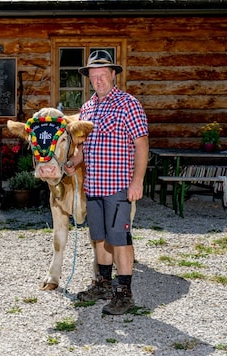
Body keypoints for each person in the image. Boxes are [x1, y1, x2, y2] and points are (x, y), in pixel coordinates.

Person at [64, 50, 149, 315]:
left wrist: (138, 181)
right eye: (94, 76)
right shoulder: (87, 108)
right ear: (89, 78)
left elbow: (142, 144)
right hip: (94, 187)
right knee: (99, 238)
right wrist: (73, 162)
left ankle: (124, 293)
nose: (98, 80)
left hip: (118, 187)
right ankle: (103, 284)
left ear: (113, 75)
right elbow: (84, 148)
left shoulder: (128, 104)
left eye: (103, 75)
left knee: (120, 239)